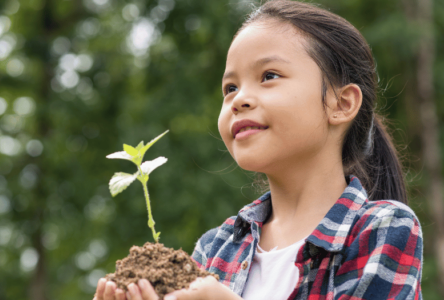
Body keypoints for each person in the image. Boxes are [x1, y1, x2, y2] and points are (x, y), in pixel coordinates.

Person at [94, 0, 424, 299]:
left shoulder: (382, 229)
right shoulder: (215, 248)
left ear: (341, 103)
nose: (239, 99)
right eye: (230, 87)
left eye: (268, 76)